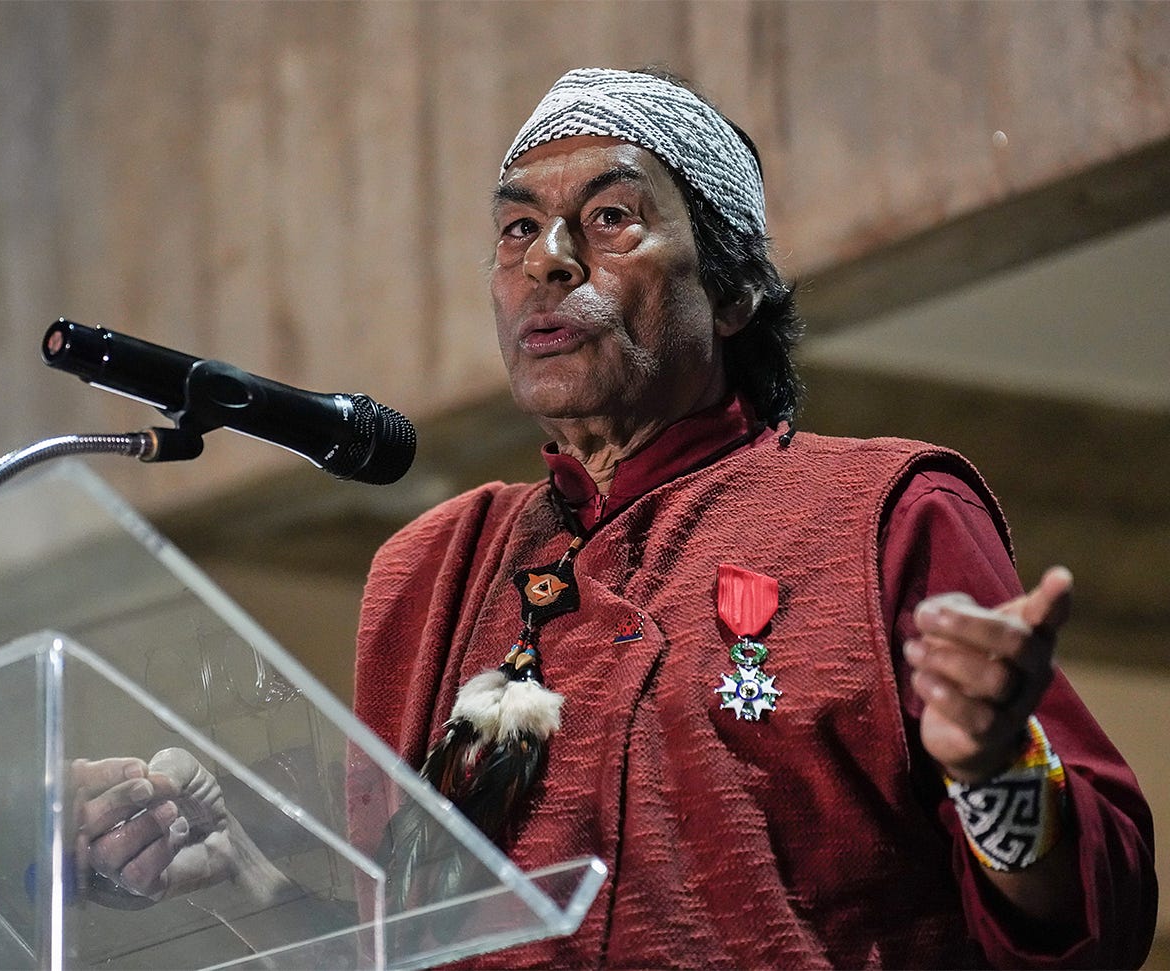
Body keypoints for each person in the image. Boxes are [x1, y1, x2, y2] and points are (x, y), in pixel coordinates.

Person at [350, 67, 1157, 968]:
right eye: (517, 229)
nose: (549, 258)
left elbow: (1101, 919)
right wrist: (249, 886)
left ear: (734, 292)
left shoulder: (886, 514)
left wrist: (999, 770)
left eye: (611, 217)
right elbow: (394, 931)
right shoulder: (430, 571)